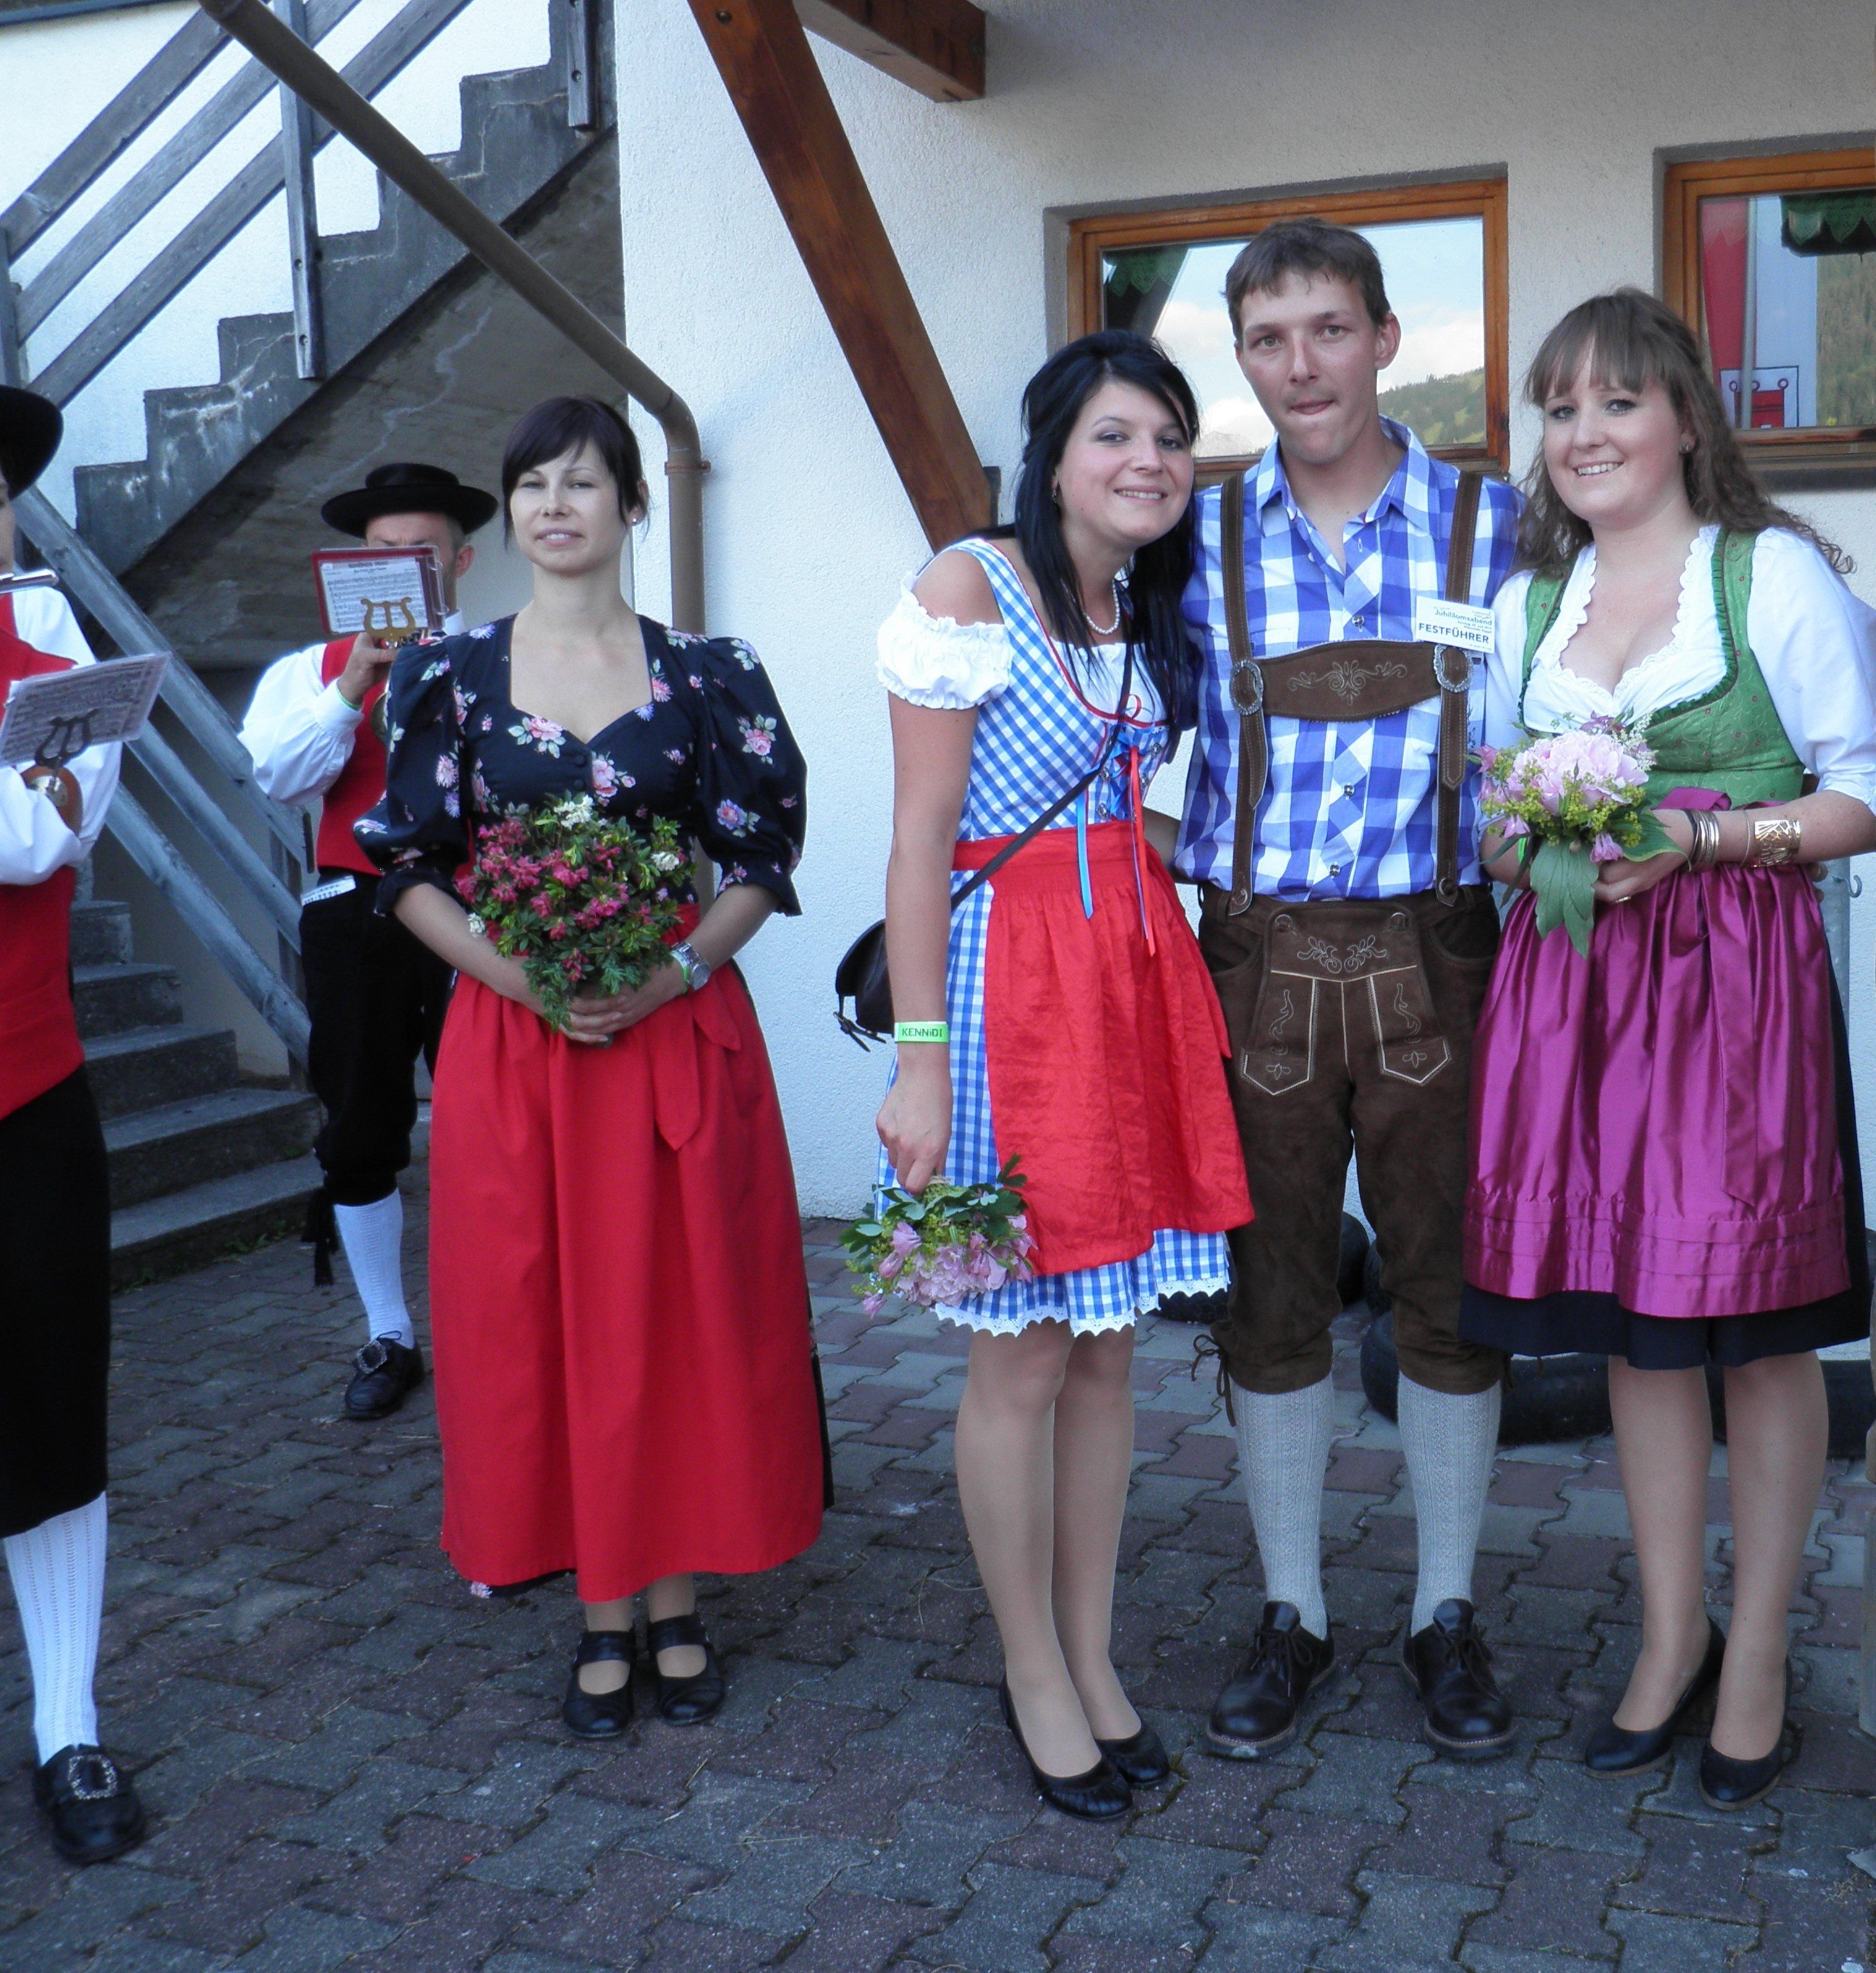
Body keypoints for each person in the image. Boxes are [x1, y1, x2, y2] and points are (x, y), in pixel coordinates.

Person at [1460, 289, 1876, 1810]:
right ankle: (1669, 1633)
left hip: (1733, 994)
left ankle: (1755, 1651)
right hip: (1576, 994)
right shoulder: (1526, 605)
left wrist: (1701, 839)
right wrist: (1538, 835)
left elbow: (1864, 792)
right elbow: (1491, 824)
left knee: (1756, 1331)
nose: (1582, 433)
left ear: (1685, 420)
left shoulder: (1767, 576)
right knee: (1632, 1329)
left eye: (1615, 402)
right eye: (1558, 408)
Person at [356, 397, 824, 1735]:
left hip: (670, 1027)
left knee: (679, 1311)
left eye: (581, 481)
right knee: (538, 1316)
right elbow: (404, 862)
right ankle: (600, 1606)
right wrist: (520, 978)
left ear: (631, 504)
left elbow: (760, 860)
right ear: (508, 514)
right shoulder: (445, 671)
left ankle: (673, 1597)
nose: (555, 505)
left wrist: (671, 972)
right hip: (519, 1042)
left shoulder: (711, 671)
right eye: (532, 485)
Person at [876, 330, 1253, 1820]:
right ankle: (1029, 1668)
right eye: (1113, 434)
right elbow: (921, 839)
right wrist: (918, 1065)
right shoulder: (968, 587)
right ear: (1050, 457)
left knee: (1107, 1347)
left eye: (1166, 436)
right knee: (1022, 1351)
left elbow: (1124, 807)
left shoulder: (1139, 601)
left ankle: (1092, 1656)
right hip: (1003, 994)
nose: (1145, 460)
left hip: (1125, 976)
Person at [1173, 219, 1524, 1762]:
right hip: (1250, 957)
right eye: (1268, 337)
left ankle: (1444, 1609)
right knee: (1272, 1290)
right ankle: (1293, 1609)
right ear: (1241, 358)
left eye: (1327, 328)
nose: (1299, 364)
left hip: (1441, 951)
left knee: (1448, 1282)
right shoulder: (1192, 536)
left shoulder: (1496, 527)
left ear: (1385, 338)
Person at [239, 464, 496, 1420]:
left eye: (420, 551)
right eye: (381, 552)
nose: (400, 565)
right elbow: (278, 776)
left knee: (496, 1114)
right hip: (353, 908)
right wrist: (354, 679)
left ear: (458, 563)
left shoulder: (506, 659)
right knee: (358, 1120)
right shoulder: (304, 671)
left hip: (479, 907)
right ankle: (390, 1329)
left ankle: (502, 1321)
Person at [0, 384, 148, 1862]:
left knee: (46, 1411)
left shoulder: (59, 670)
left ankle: (67, 1723)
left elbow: (33, 834)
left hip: (21, 1090)